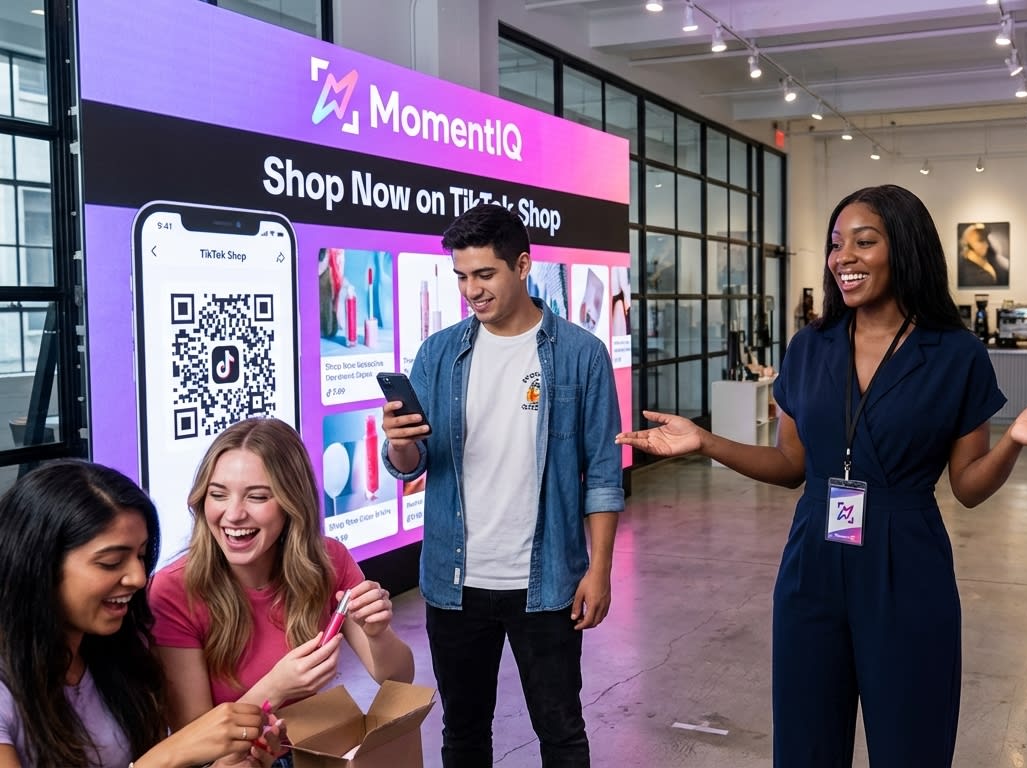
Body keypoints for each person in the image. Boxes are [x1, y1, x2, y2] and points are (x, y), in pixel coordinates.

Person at [615, 184, 1027, 767]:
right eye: (835, 243)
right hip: (813, 561)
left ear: (906, 249)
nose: (842, 257)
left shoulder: (954, 353)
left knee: (910, 743)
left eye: (863, 242)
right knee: (805, 743)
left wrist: (1014, 442)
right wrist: (706, 441)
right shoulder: (810, 347)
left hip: (908, 560)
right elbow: (791, 466)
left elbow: (969, 486)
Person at [381, 203, 623, 768]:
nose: (472, 290)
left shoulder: (581, 355)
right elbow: (412, 463)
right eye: (462, 276)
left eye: (485, 274)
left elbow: (602, 474)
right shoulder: (439, 353)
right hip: (455, 582)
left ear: (523, 265)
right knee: (464, 735)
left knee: (561, 734)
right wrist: (398, 442)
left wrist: (600, 570)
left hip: (548, 582)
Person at [0, 460, 283, 768]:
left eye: (141, 556)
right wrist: (169, 755)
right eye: (110, 562)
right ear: (39, 565)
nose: (137, 577)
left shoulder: (120, 653)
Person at [150, 419, 415, 735]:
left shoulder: (329, 559)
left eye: (257, 497)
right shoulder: (172, 590)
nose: (233, 514)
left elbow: (399, 679)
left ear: (292, 503)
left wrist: (378, 634)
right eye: (218, 494)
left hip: (305, 747)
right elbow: (194, 744)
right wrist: (275, 689)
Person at [956, 222, 1009, 287]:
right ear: (969, 245)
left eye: (986, 239)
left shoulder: (990, 256)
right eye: (980, 240)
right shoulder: (966, 268)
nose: (986, 245)